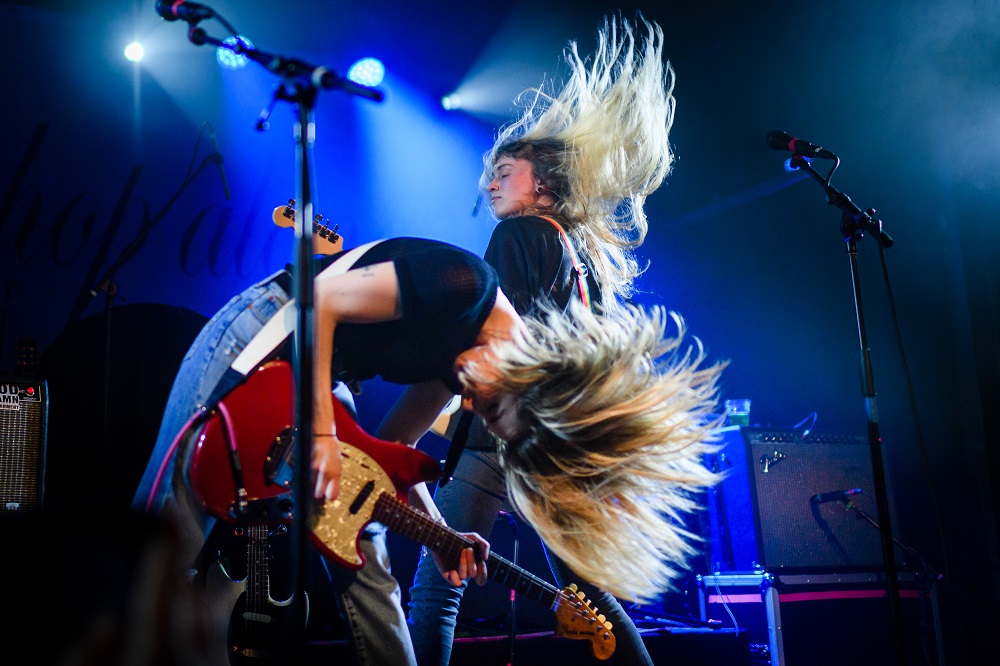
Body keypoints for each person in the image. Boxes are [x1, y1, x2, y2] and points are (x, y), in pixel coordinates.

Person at [131, 233, 723, 665]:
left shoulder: (465, 358)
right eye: (494, 409)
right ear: (531, 376)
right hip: (264, 332)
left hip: (323, 377)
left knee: (368, 561)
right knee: (167, 537)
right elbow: (320, 301)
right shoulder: (466, 285)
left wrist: (440, 533)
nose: (474, 408)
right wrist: (323, 435)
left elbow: (394, 446)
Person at [407, 14, 703, 665]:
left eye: (504, 171)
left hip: (501, 436)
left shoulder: (518, 235)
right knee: (590, 596)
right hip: (553, 441)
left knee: (437, 588)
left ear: (542, 183)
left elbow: (489, 335)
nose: (490, 182)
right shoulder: (579, 254)